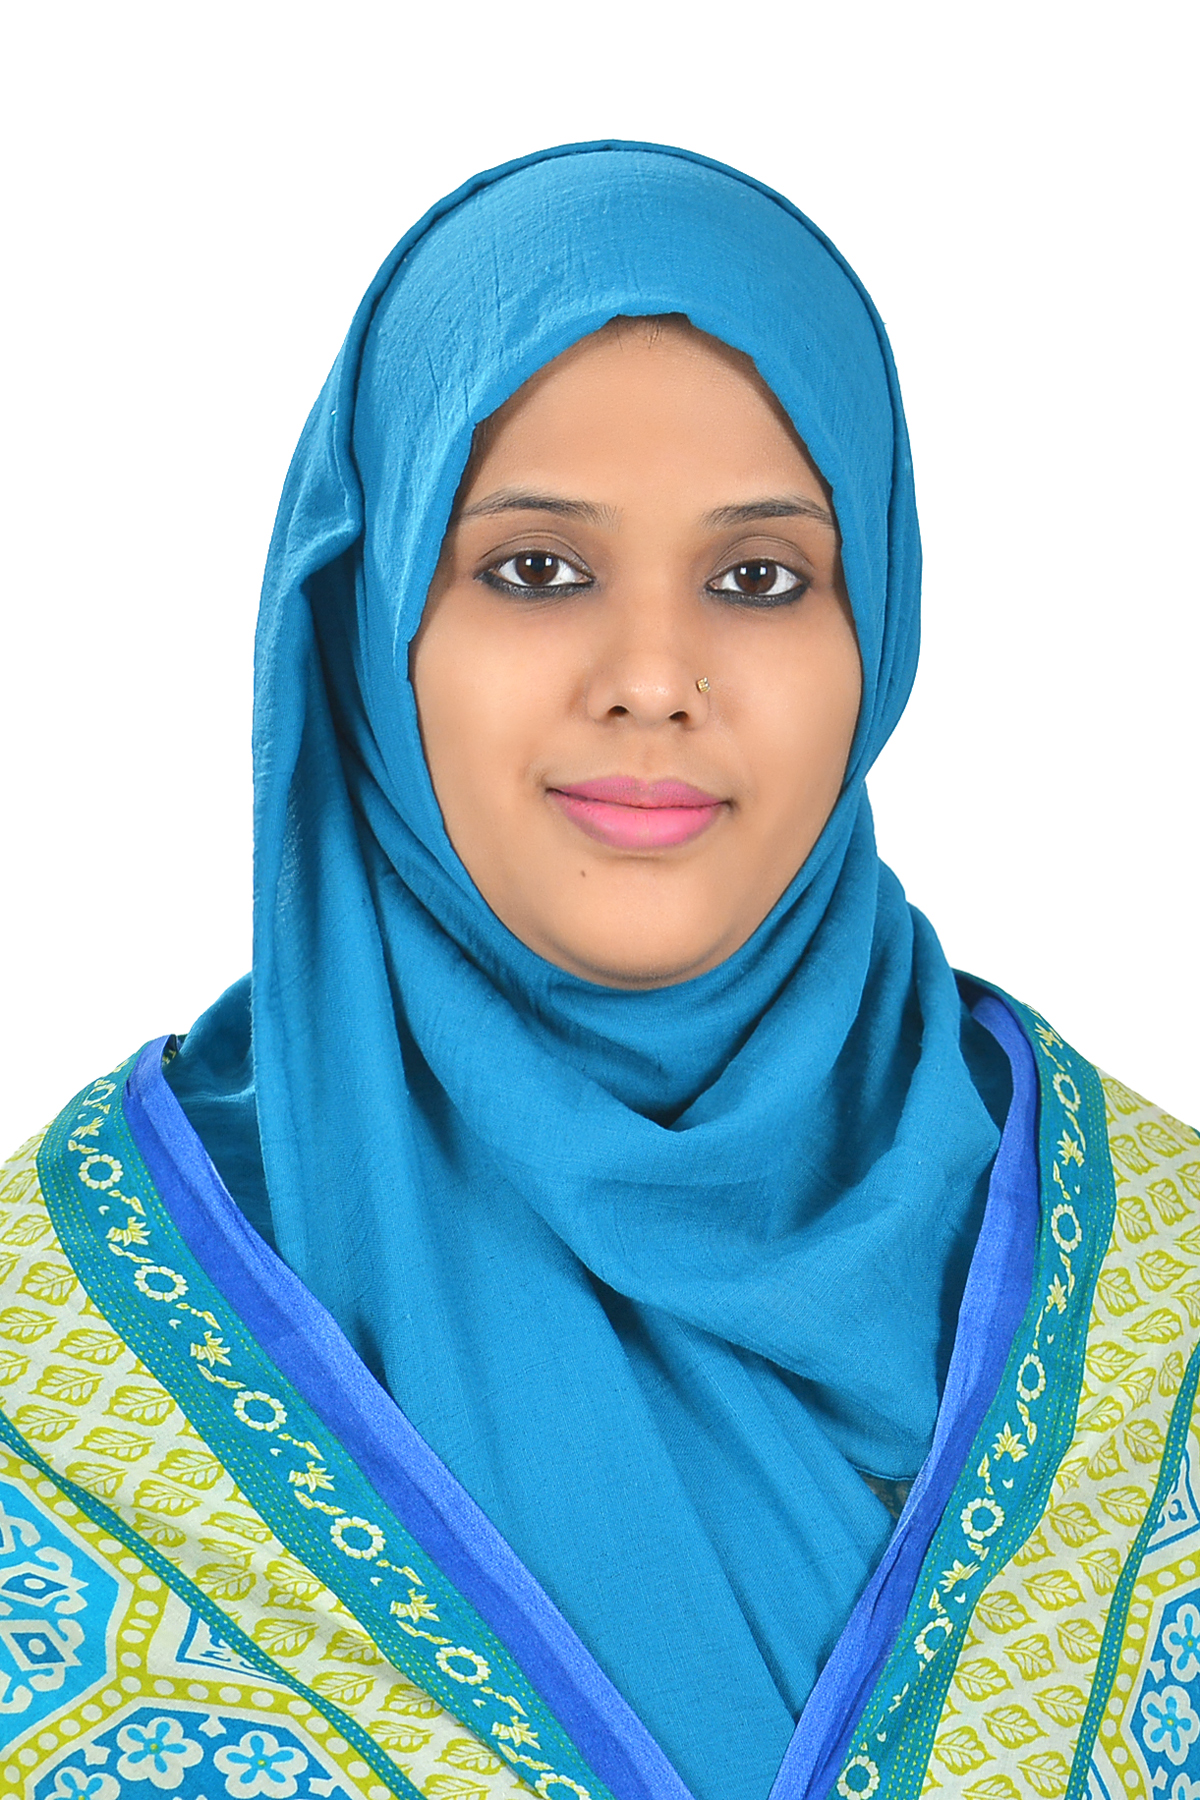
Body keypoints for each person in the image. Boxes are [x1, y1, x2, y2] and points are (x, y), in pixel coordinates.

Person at [0, 141, 1196, 1800]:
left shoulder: (1162, 1297)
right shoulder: (51, 1369)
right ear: (372, 622)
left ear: (877, 630)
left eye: (758, 579)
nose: (653, 677)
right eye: (536, 571)